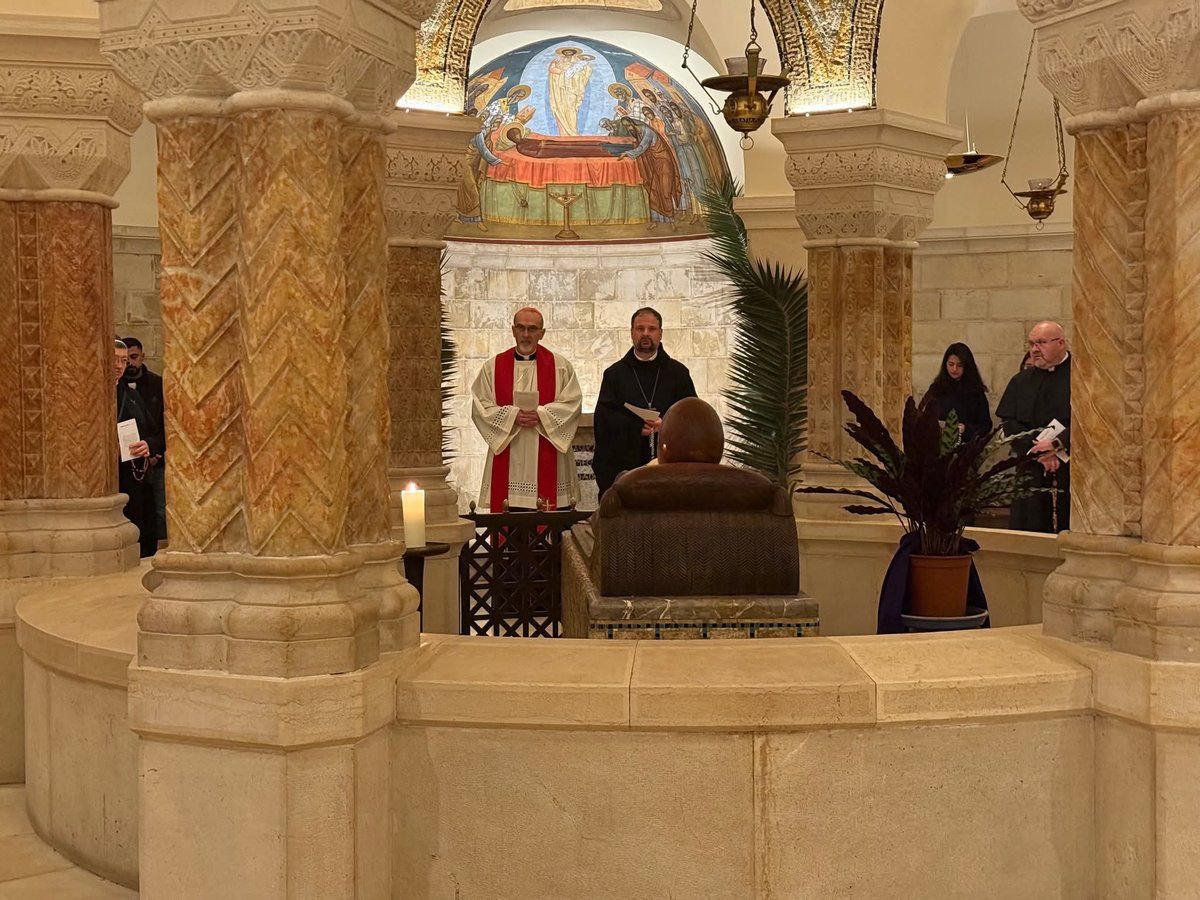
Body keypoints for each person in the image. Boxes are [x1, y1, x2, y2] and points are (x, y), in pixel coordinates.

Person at [471, 307, 582, 510]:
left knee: (551, 530)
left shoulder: (561, 366)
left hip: (550, 459)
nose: (525, 334)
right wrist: (512, 416)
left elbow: (572, 403)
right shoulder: (492, 367)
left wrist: (541, 415)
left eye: (532, 329)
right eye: (520, 328)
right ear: (513, 330)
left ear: (542, 333)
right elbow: (480, 406)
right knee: (510, 525)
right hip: (509, 456)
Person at [592, 307, 697, 497]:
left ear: (661, 333)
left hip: (669, 466)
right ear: (632, 332)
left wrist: (666, 425)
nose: (646, 334)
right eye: (640, 329)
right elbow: (603, 420)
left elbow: (692, 415)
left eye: (652, 329)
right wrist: (634, 428)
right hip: (626, 465)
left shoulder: (678, 373)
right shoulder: (614, 374)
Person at [996, 320, 1071, 533]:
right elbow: (1010, 423)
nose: (1034, 350)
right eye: (1031, 344)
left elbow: (1091, 420)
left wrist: (1057, 445)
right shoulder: (1021, 381)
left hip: (1070, 467)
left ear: (1061, 343)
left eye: (1041, 343)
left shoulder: (1082, 376)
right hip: (1031, 466)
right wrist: (1038, 452)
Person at [114, 340, 162, 558]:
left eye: (123, 360)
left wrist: (148, 445)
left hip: (133, 475)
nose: (120, 365)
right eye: (115, 359)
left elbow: (157, 433)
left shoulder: (131, 395)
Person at [922, 342, 992, 442]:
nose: (954, 369)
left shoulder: (975, 391)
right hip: (938, 446)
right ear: (945, 364)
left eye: (959, 365)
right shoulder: (936, 389)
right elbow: (923, 417)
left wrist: (966, 428)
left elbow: (986, 424)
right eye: (951, 364)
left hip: (967, 448)